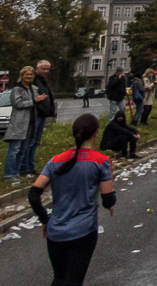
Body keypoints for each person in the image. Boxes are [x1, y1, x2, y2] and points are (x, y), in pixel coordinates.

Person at [28, 114, 115, 286]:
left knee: (59, 278)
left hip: (56, 230)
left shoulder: (55, 160)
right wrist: (110, 204)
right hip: (83, 230)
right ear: (95, 133)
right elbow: (108, 198)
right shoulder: (101, 161)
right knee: (74, 280)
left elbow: (33, 195)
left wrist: (45, 219)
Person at [5, 67, 38, 181]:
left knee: (22, 149)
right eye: (26, 74)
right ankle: (9, 174)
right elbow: (17, 103)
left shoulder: (31, 89)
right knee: (14, 149)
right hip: (19, 123)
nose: (29, 76)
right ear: (22, 75)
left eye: (30, 75)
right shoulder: (17, 89)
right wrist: (33, 101)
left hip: (29, 122)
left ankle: (16, 172)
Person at [25, 60, 57, 177]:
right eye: (43, 69)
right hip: (36, 114)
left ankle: (30, 166)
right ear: (37, 69)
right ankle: (26, 167)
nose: (46, 71)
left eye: (47, 69)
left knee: (36, 141)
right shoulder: (34, 81)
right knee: (30, 141)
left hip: (42, 114)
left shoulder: (43, 81)